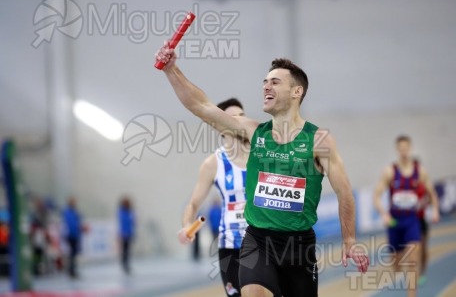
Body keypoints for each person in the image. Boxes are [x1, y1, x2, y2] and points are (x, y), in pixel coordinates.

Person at [156, 44, 369, 297]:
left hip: (298, 246)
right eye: (265, 82)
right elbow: (201, 106)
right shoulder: (252, 131)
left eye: (275, 82)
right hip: (257, 241)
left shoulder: (319, 141)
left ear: (296, 91)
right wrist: (172, 70)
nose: (266, 86)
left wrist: (349, 240)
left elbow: (344, 192)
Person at [178, 98, 249, 297]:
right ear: (220, 124)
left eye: (242, 117)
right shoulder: (213, 164)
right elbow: (193, 203)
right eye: (233, 117)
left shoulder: (261, 155)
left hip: (262, 243)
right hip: (230, 247)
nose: (239, 122)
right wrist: (187, 226)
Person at [373, 136, 439, 297]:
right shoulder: (390, 171)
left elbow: (432, 192)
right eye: (400, 149)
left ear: (410, 149)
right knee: (396, 263)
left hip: (411, 220)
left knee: (412, 260)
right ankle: (397, 260)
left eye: (406, 148)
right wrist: (384, 214)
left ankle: (412, 294)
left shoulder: (420, 171)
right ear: (397, 150)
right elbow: (376, 196)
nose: (403, 152)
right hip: (394, 222)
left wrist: (435, 209)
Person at [414, 161, 440, 285]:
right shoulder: (406, 184)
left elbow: (432, 196)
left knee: (423, 248)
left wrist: (434, 210)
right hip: (410, 220)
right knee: (414, 248)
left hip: (421, 220)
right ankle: (414, 270)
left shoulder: (424, 183)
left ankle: (422, 272)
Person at [62, 196, 85, 278]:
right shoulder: (67, 212)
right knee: (72, 253)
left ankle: (73, 270)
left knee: (74, 253)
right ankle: (71, 270)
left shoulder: (75, 212)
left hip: (75, 235)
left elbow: (79, 222)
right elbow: (70, 224)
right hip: (70, 235)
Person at [118, 196, 136, 274]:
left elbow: (132, 222)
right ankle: (124, 264)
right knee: (124, 250)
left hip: (129, 233)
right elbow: (123, 222)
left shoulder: (130, 211)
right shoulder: (122, 212)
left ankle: (127, 264)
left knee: (127, 250)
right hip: (124, 233)